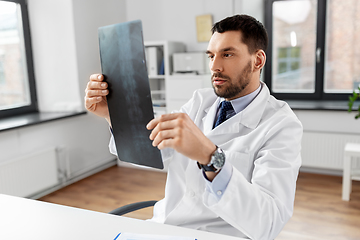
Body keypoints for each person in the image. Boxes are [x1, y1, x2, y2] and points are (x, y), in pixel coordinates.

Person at [84, 14, 303, 240]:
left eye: (227, 54)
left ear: (257, 60)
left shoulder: (282, 125)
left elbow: (268, 223)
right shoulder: (200, 101)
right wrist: (112, 115)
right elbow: (153, 148)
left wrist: (211, 157)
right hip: (164, 229)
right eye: (211, 56)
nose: (215, 66)